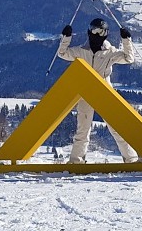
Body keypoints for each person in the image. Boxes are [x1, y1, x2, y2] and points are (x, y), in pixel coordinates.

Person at [56, 16, 136, 161]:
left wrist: (126, 40)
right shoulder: (81, 50)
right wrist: (66, 38)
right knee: (83, 129)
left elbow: (129, 58)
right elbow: (62, 53)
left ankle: (130, 158)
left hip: (104, 92)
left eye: (101, 32)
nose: (97, 34)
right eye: (94, 30)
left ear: (106, 34)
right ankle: (76, 161)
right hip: (85, 92)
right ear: (89, 31)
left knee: (116, 128)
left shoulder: (110, 52)